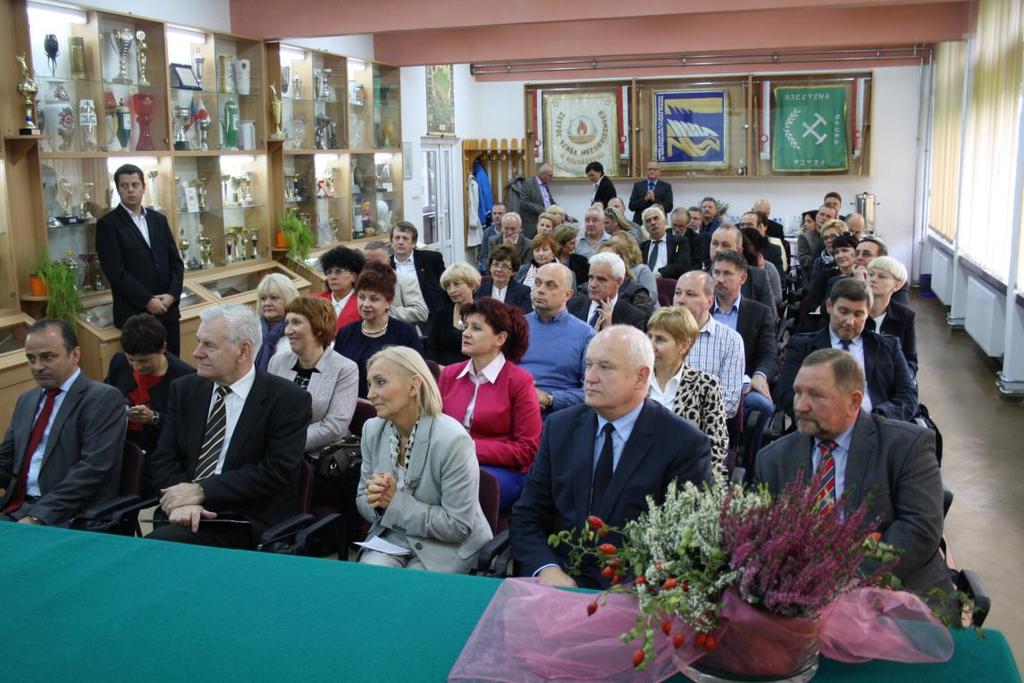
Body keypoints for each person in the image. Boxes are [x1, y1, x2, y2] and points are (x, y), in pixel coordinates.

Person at [511, 325, 713, 588]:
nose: (590, 377)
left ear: (641, 377)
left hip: (636, 598)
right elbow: (528, 516)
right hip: (561, 584)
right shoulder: (559, 428)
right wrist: (547, 570)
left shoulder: (683, 444)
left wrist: (634, 589)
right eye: (588, 365)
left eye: (605, 367)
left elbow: (687, 541)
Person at [754, 349, 948, 595]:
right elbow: (762, 534)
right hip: (800, 597)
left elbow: (920, 528)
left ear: (854, 402)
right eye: (798, 392)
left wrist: (847, 579)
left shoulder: (905, 447)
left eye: (815, 395)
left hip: (894, 592)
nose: (800, 406)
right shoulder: (772, 460)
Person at [148, 304, 311, 548]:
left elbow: (274, 472)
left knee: (159, 549)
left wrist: (202, 491)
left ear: (243, 351)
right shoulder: (184, 390)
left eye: (209, 345)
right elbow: (164, 457)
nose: (196, 353)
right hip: (183, 512)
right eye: (198, 342)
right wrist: (187, 498)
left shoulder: (288, 400)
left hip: (245, 519)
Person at [356, 346, 492, 572]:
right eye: (369, 384)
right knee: (370, 583)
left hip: (448, 546)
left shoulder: (453, 439)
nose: (370, 394)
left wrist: (393, 504)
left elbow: (459, 525)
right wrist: (377, 503)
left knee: (412, 593)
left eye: (380, 382)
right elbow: (362, 498)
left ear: (413, 385)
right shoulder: (372, 429)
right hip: (393, 538)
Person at [1, 319, 125, 525]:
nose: (37, 367)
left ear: (75, 355)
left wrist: (37, 517)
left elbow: (92, 470)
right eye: (31, 359)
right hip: (16, 507)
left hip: (67, 514)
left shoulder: (103, 398)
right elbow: (5, 461)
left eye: (47, 357)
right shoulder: (27, 400)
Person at [439, 298, 541, 512]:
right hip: (450, 461)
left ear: (500, 338)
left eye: (476, 328)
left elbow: (527, 449)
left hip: (500, 471)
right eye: (465, 326)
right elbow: (434, 426)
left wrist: (468, 448)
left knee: (462, 486)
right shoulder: (450, 374)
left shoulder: (520, 381)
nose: (466, 333)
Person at [775, 278, 918, 421]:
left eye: (858, 314)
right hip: (818, 427)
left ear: (868, 312)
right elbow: (785, 393)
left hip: (877, 429)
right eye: (843, 312)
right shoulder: (802, 346)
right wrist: (826, 415)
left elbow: (908, 395)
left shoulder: (888, 347)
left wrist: (879, 418)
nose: (850, 322)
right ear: (829, 306)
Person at [96, 164, 184, 354]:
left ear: (144, 187)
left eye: (135, 184)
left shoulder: (158, 219)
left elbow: (175, 262)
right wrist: (147, 300)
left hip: (167, 310)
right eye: (124, 186)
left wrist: (171, 296)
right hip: (135, 315)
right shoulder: (108, 225)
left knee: (174, 369)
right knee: (144, 372)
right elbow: (116, 272)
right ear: (117, 189)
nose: (130, 190)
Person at [105, 313, 194, 480]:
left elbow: (187, 427)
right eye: (131, 360)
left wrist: (154, 418)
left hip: (156, 453)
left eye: (144, 361)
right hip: (118, 442)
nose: (137, 367)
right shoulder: (119, 363)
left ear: (162, 348)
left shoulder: (185, 378)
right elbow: (107, 396)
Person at [269, 296, 359, 450]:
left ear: (318, 327)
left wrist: (285, 443)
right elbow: (266, 410)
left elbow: (334, 427)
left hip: (318, 458)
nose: (288, 330)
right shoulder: (277, 361)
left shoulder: (345, 368)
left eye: (296, 322)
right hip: (274, 450)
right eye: (287, 323)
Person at [711, 250, 779, 450]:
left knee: (763, 405)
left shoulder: (759, 313)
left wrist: (760, 375)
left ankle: (747, 463)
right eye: (716, 273)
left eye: (727, 274)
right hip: (702, 379)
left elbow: (769, 354)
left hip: (742, 384)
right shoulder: (699, 309)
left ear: (742, 278)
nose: (720, 279)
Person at [646, 307, 728, 471]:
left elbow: (716, 447)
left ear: (683, 346)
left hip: (686, 477)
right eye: (650, 337)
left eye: (660, 339)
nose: (651, 345)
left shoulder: (706, 385)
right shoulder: (637, 381)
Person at [334, 262, 423, 400]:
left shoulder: (405, 333)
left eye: (374, 299)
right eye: (361, 297)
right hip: (349, 405)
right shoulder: (346, 333)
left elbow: (416, 377)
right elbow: (336, 375)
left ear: (388, 302)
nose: (365, 304)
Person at [519, 263, 596, 413]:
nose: (540, 290)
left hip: (559, 415)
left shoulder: (585, 334)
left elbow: (592, 391)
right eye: (537, 283)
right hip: (514, 407)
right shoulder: (516, 326)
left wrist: (550, 399)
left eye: (550, 286)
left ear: (567, 295)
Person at [673, 271, 745, 418]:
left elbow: (730, 402)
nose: (680, 300)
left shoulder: (730, 340)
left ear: (709, 301)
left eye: (690, 294)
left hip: (702, 430)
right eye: (677, 293)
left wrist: (683, 414)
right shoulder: (659, 335)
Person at [568, 252, 649, 331]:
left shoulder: (634, 318)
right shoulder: (571, 305)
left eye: (601, 279)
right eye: (591, 277)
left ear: (618, 282)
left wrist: (608, 330)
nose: (593, 284)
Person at [866, 256, 918, 374]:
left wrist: (904, 380)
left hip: (891, 377)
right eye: (870, 274)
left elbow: (910, 359)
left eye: (882, 276)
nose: (873, 279)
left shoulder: (906, 315)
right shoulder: (855, 310)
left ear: (897, 285)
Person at [708, 224, 776, 313]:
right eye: (715, 243)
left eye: (725, 245)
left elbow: (769, 318)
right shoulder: (700, 277)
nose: (718, 249)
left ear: (739, 250)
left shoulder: (758, 277)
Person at [390, 221, 446, 327]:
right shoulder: (386, 266)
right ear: (391, 242)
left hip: (431, 318)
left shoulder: (431, 260)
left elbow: (445, 287)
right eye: (397, 238)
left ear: (414, 243)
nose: (400, 242)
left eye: (405, 238)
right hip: (398, 320)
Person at [363, 240, 430, 328]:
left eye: (377, 263)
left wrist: (385, 311)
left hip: (400, 336)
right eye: (368, 263)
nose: (372, 267)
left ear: (388, 261)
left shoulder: (406, 281)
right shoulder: (358, 283)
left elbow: (421, 313)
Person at [426, 263, 481, 367]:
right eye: (448, 286)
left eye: (456, 284)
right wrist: (437, 368)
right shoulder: (442, 314)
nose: (451, 290)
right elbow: (431, 349)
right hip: (444, 373)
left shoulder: (484, 313)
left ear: (472, 284)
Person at [312, 246, 366, 334]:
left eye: (339, 272)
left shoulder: (363, 302)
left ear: (354, 276)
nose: (332, 277)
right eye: (329, 272)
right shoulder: (315, 300)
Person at [255, 273, 300, 371]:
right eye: (263, 298)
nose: (267, 303)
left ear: (289, 298)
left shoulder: (301, 330)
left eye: (274, 297)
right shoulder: (252, 330)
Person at [806, 232, 858, 314]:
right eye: (836, 252)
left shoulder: (861, 276)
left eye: (845, 250)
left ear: (856, 252)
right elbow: (813, 302)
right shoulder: (826, 275)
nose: (840, 255)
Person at [600, 233, 657, 301]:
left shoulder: (642, 270)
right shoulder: (605, 273)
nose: (613, 247)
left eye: (618, 245)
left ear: (629, 248)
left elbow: (651, 297)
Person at [640, 205, 692, 280]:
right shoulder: (643, 246)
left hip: (669, 284)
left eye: (656, 218)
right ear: (645, 227)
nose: (653, 222)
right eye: (648, 221)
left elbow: (683, 264)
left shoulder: (679, 242)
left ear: (665, 221)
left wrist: (661, 273)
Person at [480, 244, 533, 312]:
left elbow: (526, 319)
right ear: (490, 267)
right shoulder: (481, 290)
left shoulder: (522, 292)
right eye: (496, 264)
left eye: (505, 266)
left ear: (513, 272)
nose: (499, 269)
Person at [740, 227, 782, 308]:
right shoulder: (736, 268)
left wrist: (763, 300)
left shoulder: (768, 267)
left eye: (745, 245)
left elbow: (778, 297)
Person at [518, 164, 556, 238]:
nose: (551, 179)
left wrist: (564, 214)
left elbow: (551, 202)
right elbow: (524, 202)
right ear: (542, 174)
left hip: (546, 224)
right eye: (549, 176)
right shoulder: (528, 183)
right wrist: (543, 210)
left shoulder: (545, 185)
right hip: (532, 226)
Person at [797, 204, 836, 275]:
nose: (824, 218)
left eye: (828, 216)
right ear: (817, 216)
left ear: (834, 219)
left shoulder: (837, 236)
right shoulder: (805, 237)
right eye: (821, 214)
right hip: (812, 276)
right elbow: (804, 261)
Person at [670, 206, 705, 270]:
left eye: (681, 226)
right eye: (674, 225)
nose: (677, 229)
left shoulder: (696, 239)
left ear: (687, 224)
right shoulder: (665, 234)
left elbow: (697, 265)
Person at [477, 202, 506, 273]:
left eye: (500, 213)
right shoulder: (487, 232)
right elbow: (483, 254)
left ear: (505, 214)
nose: (497, 216)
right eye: (494, 213)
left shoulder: (511, 230)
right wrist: (491, 267)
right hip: (491, 267)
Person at [697, 196, 721, 265]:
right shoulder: (696, 226)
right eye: (704, 207)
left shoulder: (720, 228)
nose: (707, 209)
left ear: (716, 210)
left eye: (710, 207)